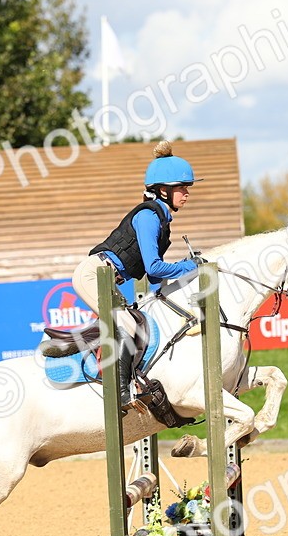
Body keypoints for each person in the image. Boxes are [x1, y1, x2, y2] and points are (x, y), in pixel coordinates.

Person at [41, 140, 204, 403]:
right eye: (182, 188)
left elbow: (153, 277)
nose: (187, 193)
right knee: (127, 325)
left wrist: (186, 270)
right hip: (93, 274)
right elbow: (154, 268)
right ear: (163, 191)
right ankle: (121, 392)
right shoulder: (149, 217)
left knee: (136, 323)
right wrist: (190, 266)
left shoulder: (162, 222)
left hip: (107, 279)